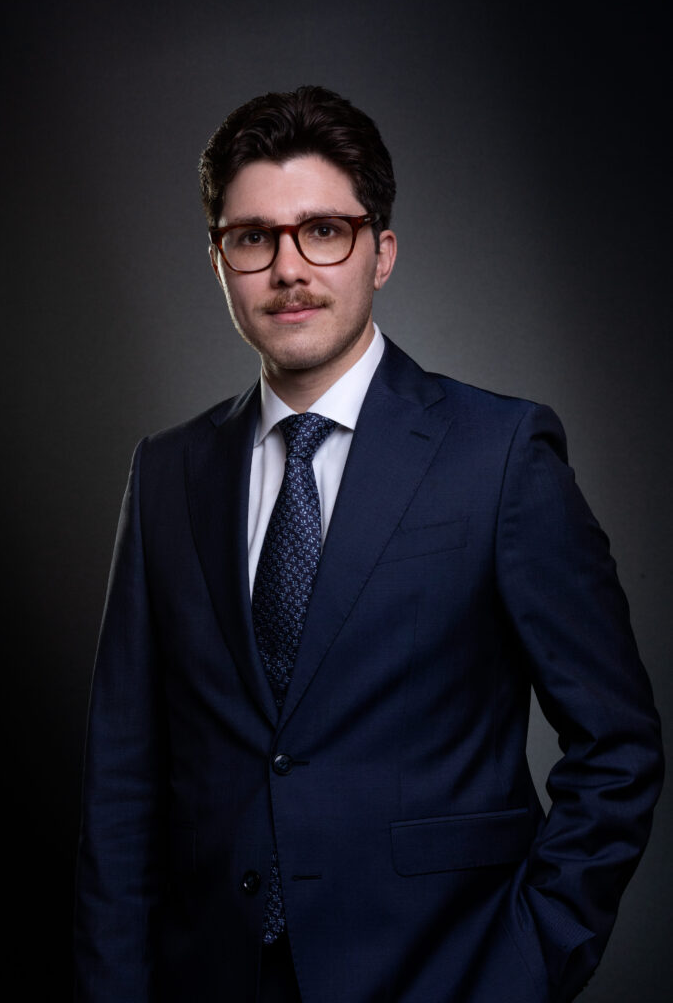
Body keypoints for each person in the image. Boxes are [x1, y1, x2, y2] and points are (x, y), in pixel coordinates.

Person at [74, 86, 663, 1003]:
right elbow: (122, 776)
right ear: (220, 261)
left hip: (441, 975)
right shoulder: (166, 474)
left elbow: (616, 746)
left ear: (380, 252)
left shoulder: (499, 455)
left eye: (323, 231)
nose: (288, 269)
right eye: (253, 237)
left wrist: (525, 965)